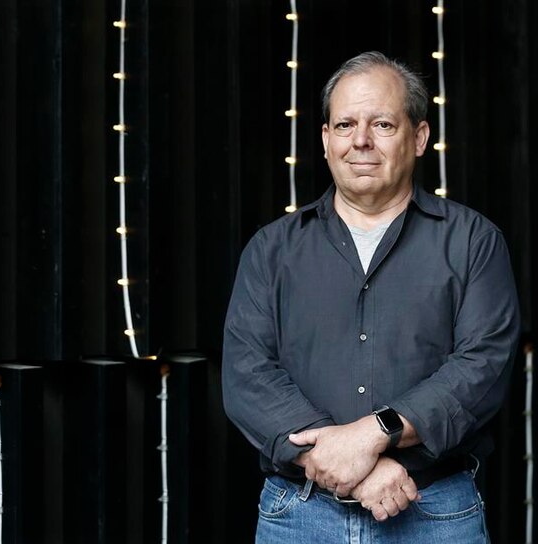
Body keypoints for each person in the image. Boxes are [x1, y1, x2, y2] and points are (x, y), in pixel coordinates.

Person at [222, 51, 520, 543]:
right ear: (324, 140)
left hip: (433, 511)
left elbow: (482, 367)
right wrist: (356, 467)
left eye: (382, 123)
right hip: (299, 516)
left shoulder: (473, 241)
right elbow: (247, 372)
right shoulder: (272, 249)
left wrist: (374, 433)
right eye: (344, 125)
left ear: (420, 137)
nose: (360, 140)